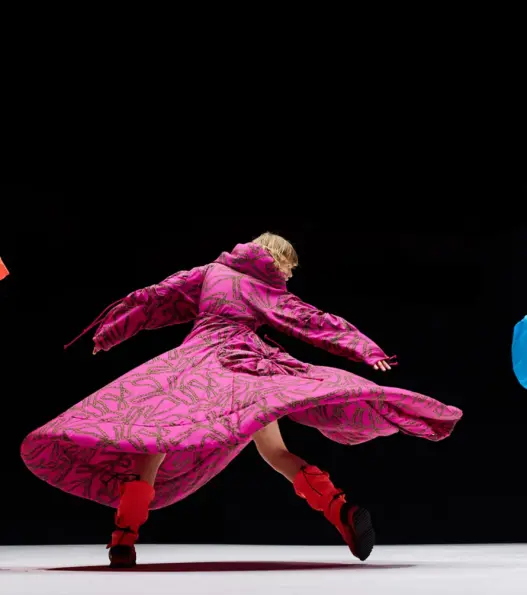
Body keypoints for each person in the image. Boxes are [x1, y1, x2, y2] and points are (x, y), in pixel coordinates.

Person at [21, 233, 462, 567]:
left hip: (193, 366)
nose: (288, 276)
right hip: (245, 371)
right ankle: (339, 509)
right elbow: (312, 321)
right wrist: (364, 348)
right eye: (289, 268)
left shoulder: (211, 272)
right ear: (279, 260)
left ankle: (123, 538)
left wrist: (110, 332)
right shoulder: (264, 288)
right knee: (274, 451)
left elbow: (158, 297)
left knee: (152, 439)